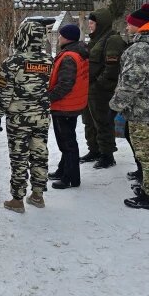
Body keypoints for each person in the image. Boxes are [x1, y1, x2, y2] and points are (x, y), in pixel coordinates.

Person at [110, 3, 149, 210]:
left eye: (130, 25)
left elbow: (130, 82)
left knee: (147, 153)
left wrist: (115, 105)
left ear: (140, 26)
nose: (127, 28)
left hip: (144, 110)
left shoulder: (141, 50)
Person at [0, 21, 53, 213]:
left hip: (18, 118)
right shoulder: (49, 61)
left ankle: (17, 199)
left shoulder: (12, 62)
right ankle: (37, 195)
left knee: (19, 156)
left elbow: (4, 92)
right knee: (39, 154)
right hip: (41, 117)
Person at [79, 8, 127, 169]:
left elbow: (111, 68)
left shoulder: (112, 39)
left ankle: (107, 155)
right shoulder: (96, 39)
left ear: (101, 24)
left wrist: (99, 84)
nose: (89, 26)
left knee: (103, 122)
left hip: (101, 90)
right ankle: (94, 150)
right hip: (89, 89)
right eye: (89, 23)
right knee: (89, 121)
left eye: (92, 23)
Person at [48, 24, 90, 190]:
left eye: (60, 35)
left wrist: (47, 97)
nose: (58, 38)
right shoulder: (79, 52)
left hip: (64, 105)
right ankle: (63, 170)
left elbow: (65, 84)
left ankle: (70, 178)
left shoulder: (68, 57)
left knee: (67, 143)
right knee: (69, 139)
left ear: (67, 38)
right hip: (74, 103)